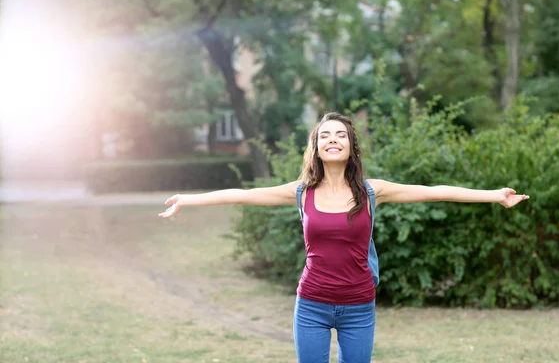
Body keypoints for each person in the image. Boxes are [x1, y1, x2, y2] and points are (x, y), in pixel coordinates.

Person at [158, 112, 530, 363]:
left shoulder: (372, 191)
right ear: (316, 146)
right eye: (325, 135)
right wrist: (187, 200)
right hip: (312, 306)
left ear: (351, 145)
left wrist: (495, 196)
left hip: (358, 307)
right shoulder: (302, 191)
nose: (333, 140)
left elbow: (435, 190)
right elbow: (240, 195)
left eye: (340, 135)